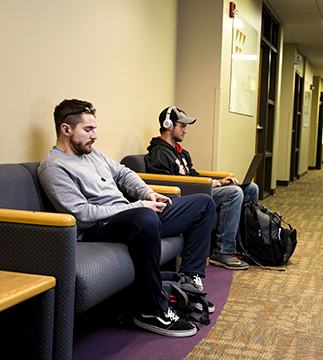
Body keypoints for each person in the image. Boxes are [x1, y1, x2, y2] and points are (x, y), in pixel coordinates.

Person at [38, 99, 216, 338]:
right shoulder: (53, 167)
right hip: (100, 227)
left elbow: (123, 172)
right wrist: (139, 206)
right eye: (88, 130)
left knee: (203, 203)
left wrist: (146, 193)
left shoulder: (92, 154)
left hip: (134, 215)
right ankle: (150, 311)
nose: (95, 136)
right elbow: (81, 214)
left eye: (95, 128)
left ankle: (189, 281)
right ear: (66, 129)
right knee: (144, 218)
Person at [145, 106, 259, 270]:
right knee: (233, 193)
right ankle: (223, 251)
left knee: (251, 188)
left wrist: (218, 180)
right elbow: (168, 184)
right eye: (182, 126)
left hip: (197, 189)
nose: (185, 131)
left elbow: (192, 175)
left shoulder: (182, 153)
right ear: (168, 125)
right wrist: (211, 184)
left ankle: (245, 245)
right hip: (185, 197)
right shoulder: (158, 153)